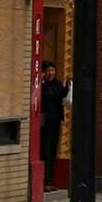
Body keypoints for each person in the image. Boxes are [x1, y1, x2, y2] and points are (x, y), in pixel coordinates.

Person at [37, 61, 68, 190]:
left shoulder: (57, 84)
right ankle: (44, 182)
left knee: (53, 150)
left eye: (53, 70)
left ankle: (50, 181)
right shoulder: (41, 85)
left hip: (55, 121)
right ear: (43, 72)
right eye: (48, 70)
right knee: (45, 150)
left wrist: (68, 86)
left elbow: (63, 95)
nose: (51, 73)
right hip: (44, 122)